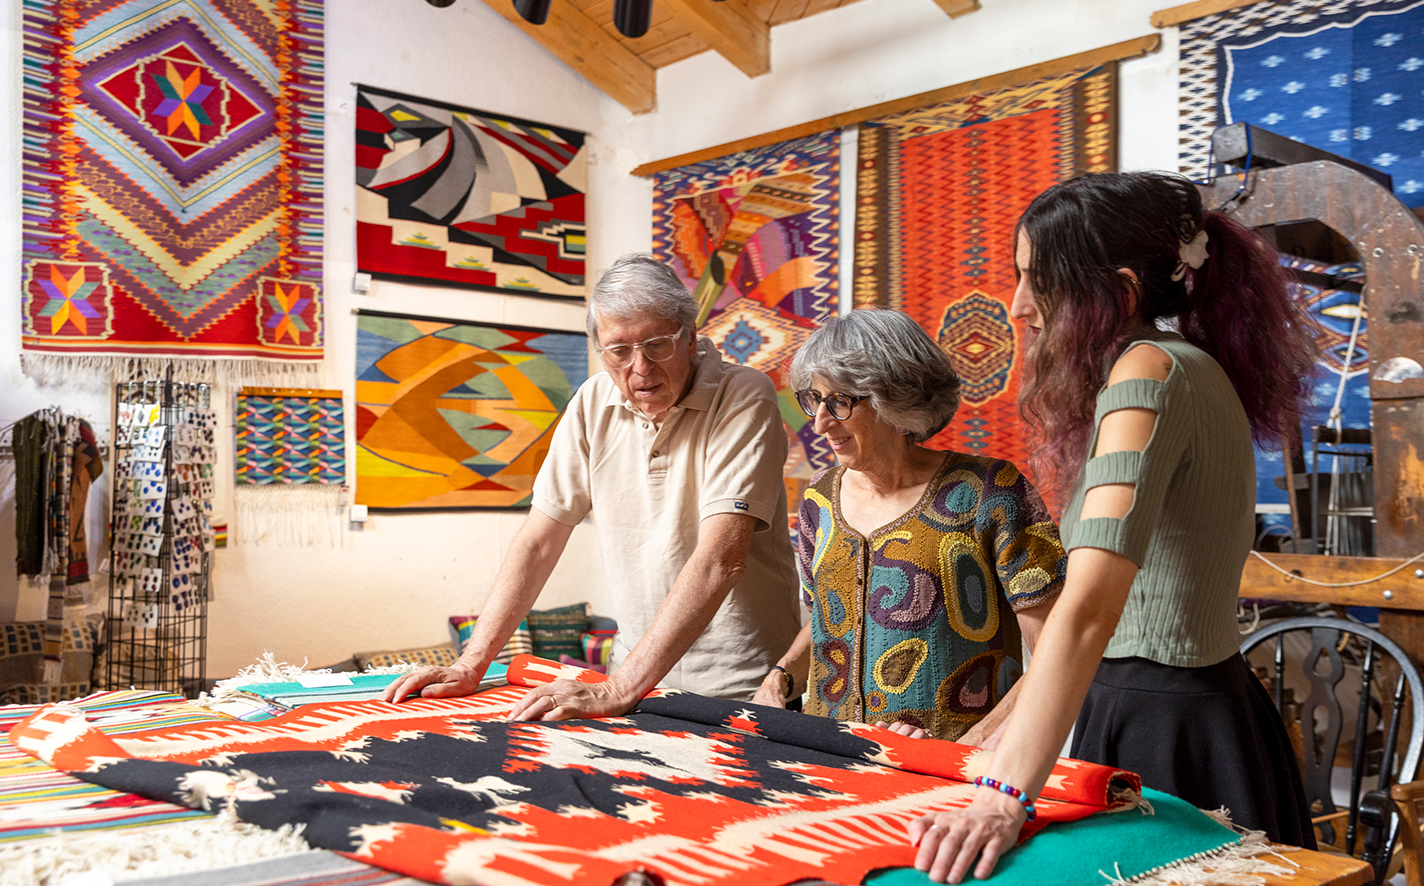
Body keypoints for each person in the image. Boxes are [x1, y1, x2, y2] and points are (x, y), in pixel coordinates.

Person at [910, 171, 1319, 884]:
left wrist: (1003, 795)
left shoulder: (1148, 373)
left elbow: (1092, 606)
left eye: (1038, 281)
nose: (1017, 306)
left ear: (1120, 293)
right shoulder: (1191, 367)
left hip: (1160, 725)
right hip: (1193, 707)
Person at [383, 255, 802, 718]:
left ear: (690, 338)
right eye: (619, 351)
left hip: (741, 683)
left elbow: (720, 559)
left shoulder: (745, 395)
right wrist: (472, 663)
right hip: (637, 682)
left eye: (657, 345)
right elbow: (539, 542)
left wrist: (615, 690)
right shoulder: (592, 401)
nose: (640, 368)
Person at [750, 308, 1067, 743]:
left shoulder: (991, 492)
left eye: (840, 402)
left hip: (952, 768)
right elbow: (830, 616)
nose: (820, 423)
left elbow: (1059, 650)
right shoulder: (818, 500)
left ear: (894, 399)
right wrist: (780, 676)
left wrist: (969, 746)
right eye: (814, 400)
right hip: (830, 753)